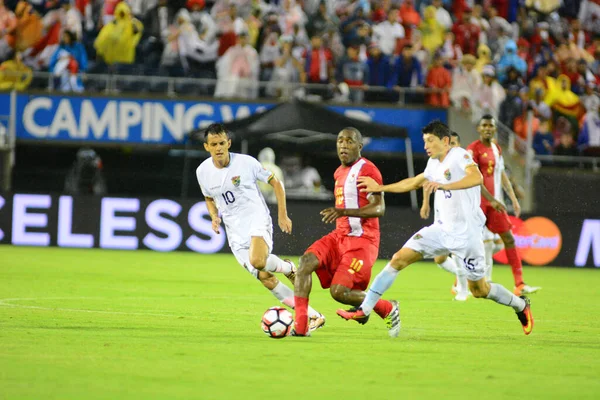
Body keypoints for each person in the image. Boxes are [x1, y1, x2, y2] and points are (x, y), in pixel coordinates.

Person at [337, 120, 534, 336]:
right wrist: (380, 188)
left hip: (467, 238)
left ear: (446, 141)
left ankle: (520, 305)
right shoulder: (433, 163)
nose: (426, 145)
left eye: (430, 140)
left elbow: (476, 177)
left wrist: (445, 185)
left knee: (480, 290)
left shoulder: (459, 155)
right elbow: (414, 182)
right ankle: (364, 309)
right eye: (424, 141)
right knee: (398, 259)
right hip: (439, 231)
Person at [197, 124, 325, 332]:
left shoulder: (247, 163)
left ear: (228, 143)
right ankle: (314, 315)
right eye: (214, 144)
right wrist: (214, 217)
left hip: (256, 217)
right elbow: (209, 197)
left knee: (258, 261)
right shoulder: (202, 171)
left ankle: (288, 268)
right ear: (207, 147)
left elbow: (277, 184)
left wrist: (282, 214)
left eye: (222, 143)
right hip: (234, 230)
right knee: (266, 278)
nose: (219, 148)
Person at [292, 127, 399, 337]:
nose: (343, 145)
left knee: (339, 293)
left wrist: (343, 211)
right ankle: (301, 326)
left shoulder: (368, 170)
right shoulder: (338, 172)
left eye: (349, 141)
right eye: (340, 140)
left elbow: (379, 208)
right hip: (339, 237)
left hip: (362, 241)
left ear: (360, 146)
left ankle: (387, 307)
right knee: (305, 263)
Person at [467, 115, 541, 296]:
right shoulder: (472, 149)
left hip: (494, 204)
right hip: (476, 204)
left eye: (491, 126)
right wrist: (490, 199)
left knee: (508, 239)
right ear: (478, 129)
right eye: (484, 125)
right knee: (470, 243)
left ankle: (519, 284)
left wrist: (513, 198)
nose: (487, 129)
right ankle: (463, 283)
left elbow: (501, 175)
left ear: (495, 129)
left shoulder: (496, 148)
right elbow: (474, 178)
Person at [420, 132, 470, 301]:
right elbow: (426, 182)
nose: (452, 147)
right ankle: (468, 275)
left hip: (458, 214)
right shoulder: (436, 161)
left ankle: (463, 289)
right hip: (441, 210)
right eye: (451, 143)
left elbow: (476, 182)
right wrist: (425, 203)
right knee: (439, 258)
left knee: (456, 251)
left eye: (455, 144)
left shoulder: (463, 162)